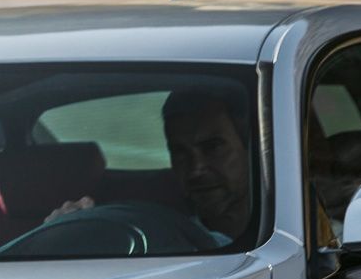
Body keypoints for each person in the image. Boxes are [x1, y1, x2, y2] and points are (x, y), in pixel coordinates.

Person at [48, 87, 254, 242]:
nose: (196, 168)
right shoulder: (153, 236)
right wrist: (59, 233)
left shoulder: (282, 233)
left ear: (249, 148)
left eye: (213, 147)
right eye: (180, 153)